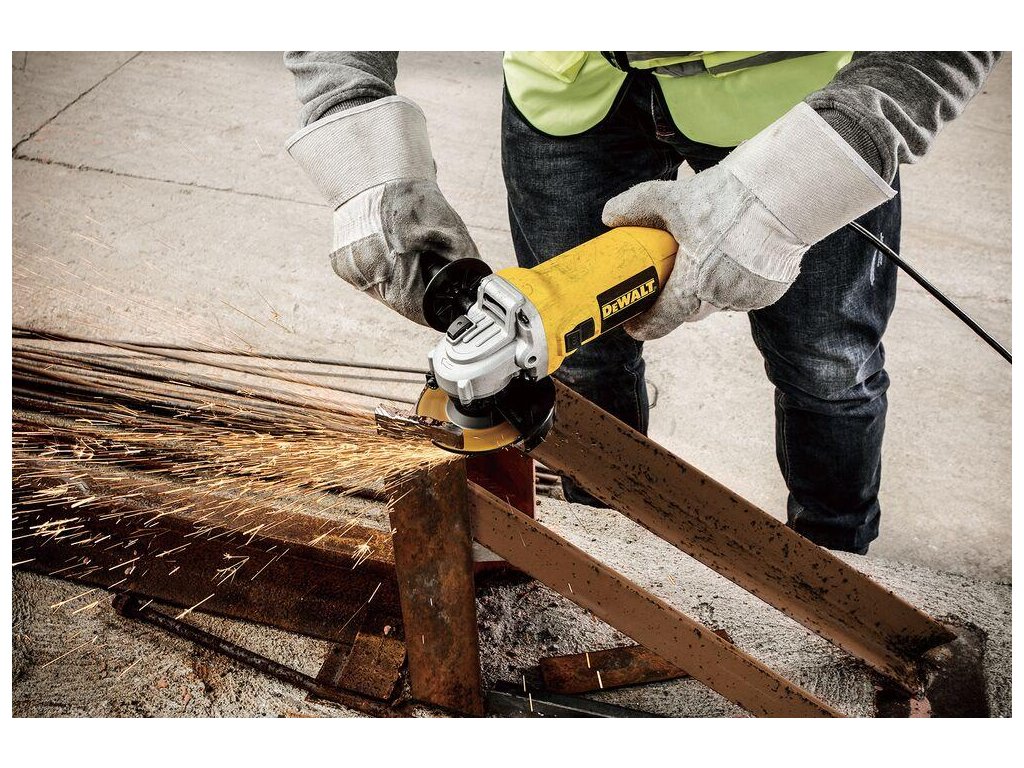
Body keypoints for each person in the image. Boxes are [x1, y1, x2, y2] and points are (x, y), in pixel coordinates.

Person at [284, 51, 999, 554]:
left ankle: (833, 556)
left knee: (827, 364)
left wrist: (817, 169)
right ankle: (615, 541)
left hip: (790, 96)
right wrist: (356, 137)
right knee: (581, 360)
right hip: (568, 90)